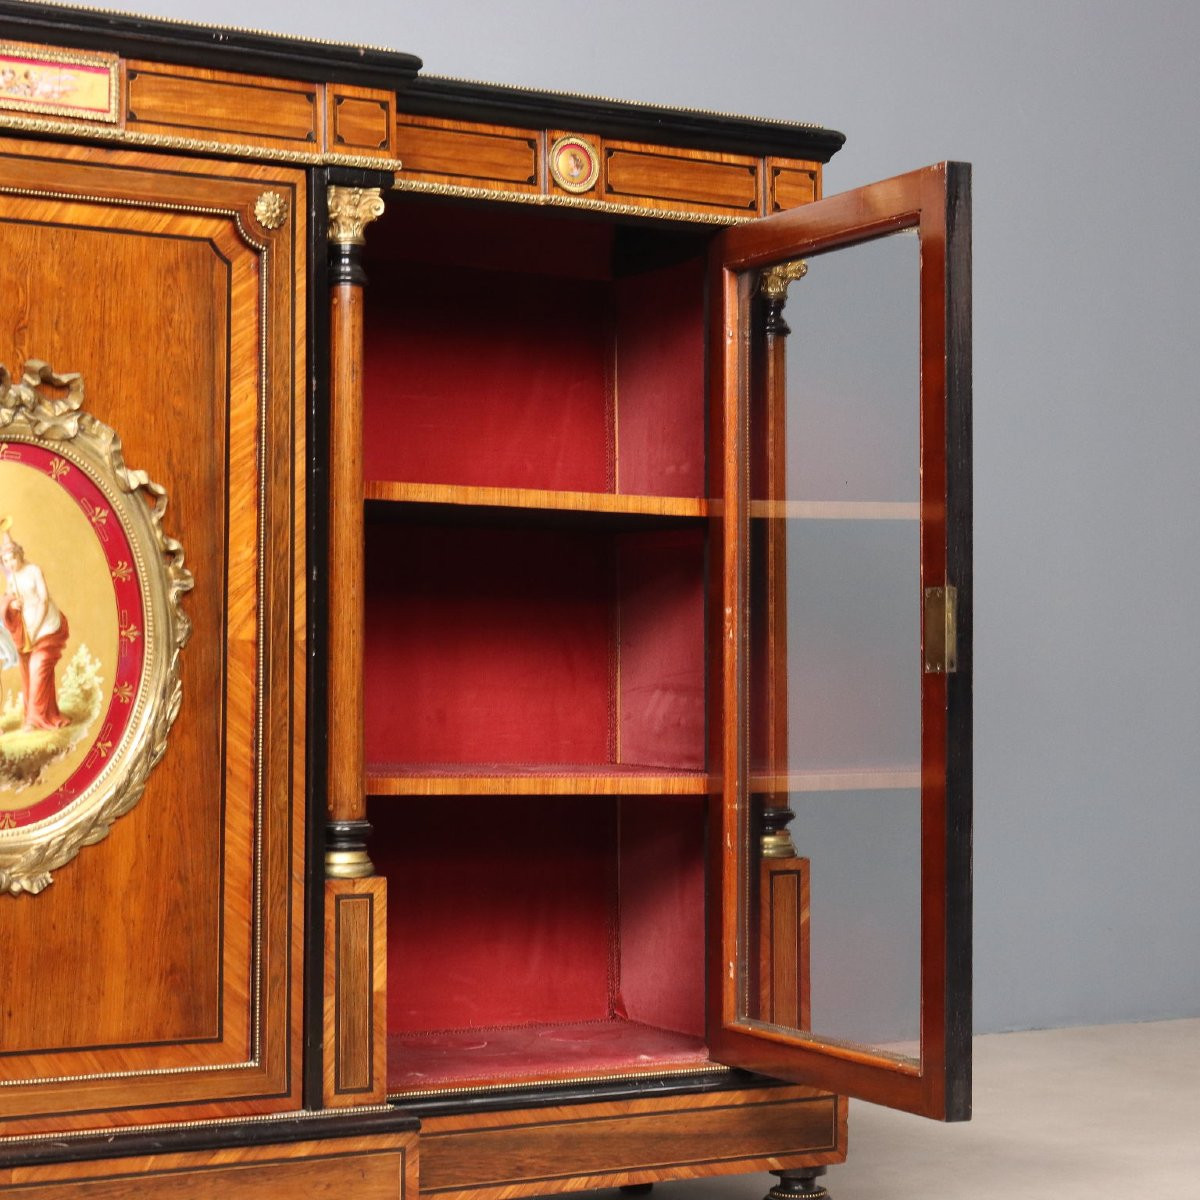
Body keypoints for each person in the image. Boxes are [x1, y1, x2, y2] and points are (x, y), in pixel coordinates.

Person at [1, 524, 70, 730]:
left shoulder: (33, 571)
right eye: (5, 561)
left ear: (19, 554)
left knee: (37, 667)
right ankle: (46, 715)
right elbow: (7, 599)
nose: (10, 564)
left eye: (12, 558)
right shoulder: (12, 580)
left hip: (46, 626)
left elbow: (44, 600)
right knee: (29, 672)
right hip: (26, 630)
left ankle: (33, 720)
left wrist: (36, 629)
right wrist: (12, 604)